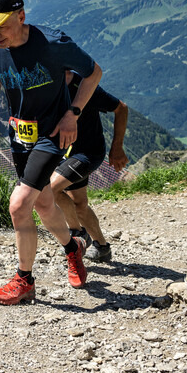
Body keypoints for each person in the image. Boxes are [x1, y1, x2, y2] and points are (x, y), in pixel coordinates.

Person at [0, 0, 102, 305]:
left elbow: (94, 72)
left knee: (18, 206)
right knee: (44, 204)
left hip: (52, 135)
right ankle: (74, 248)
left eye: (2, 24)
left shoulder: (53, 44)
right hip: (19, 135)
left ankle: (24, 280)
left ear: (21, 16)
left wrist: (72, 114)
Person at [50, 75, 128, 263]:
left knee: (51, 189)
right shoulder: (47, 84)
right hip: (66, 153)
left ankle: (78, 235)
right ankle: (102, 247)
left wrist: (117, 147)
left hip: (88, 153)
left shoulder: (84, 85)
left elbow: (121, 108)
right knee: (80, 205)